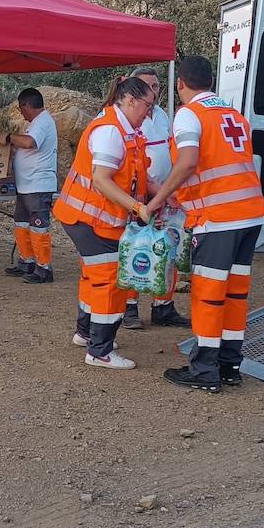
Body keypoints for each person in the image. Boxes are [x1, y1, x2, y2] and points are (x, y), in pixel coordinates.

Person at [148, 56, 264, 392]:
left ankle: (204, 372)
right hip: (250, 214)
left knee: (209, 295)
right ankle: (230, 366)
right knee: (235, 294)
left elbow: (188, 163)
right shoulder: (234, 115)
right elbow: (221, 165)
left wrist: (157, 200)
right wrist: (181, 197)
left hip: (218, 219)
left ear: (180, 84)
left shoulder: (189, 114)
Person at [52, 76, 157, 370]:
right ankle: (100, 350)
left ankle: (87, 335)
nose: (148, 113)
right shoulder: (111, 131)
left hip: (90, 218)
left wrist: (162, 195)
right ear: (130, 100)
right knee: (110, 281)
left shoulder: (124, 129)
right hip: (91, 219)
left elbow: (139, 177)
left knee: (95, 276)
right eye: (147, 106)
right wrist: (138, 207)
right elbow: (101, 179)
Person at [123, 67, 190, 330]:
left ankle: (164, 306)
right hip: (139, 196)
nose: (154, 90)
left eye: (157, 85)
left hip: (167, 196)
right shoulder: (127, 117)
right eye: (148, 85)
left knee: (168, 248)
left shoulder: (163, 115)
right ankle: (128, 308)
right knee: (136, 249)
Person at [1, 88, 58, 284]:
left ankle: (44, 268)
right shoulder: (36, 123)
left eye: (21, 108)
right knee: (22, 222)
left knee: (38, 226)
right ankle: (27, 262)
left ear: (27, 105)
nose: (21, 113)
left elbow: (29, 143)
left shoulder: (42, 122)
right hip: (27, 184)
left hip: (38, 184)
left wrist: (9, 137)